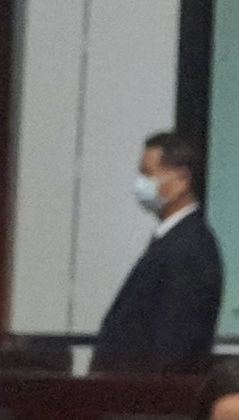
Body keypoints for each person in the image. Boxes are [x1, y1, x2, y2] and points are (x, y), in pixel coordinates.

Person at [94, 130, 221, 374]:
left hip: (147, 399)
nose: (140, 184)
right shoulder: (172, 239)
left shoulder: (190, 248)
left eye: (148, 174)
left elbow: (173, 343)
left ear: (182, 180)